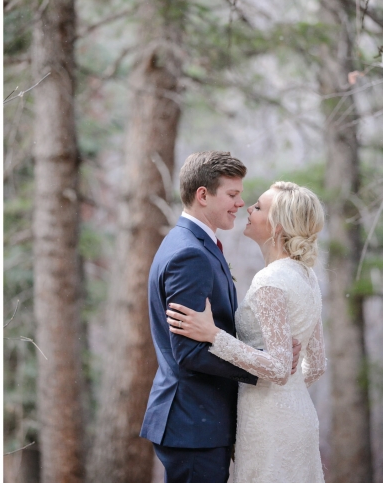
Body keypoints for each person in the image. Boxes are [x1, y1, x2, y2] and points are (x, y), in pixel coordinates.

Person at [139, 151, 301, 483]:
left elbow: (210, 333)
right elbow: (189, 352)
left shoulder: (196, 245)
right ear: (203, 195)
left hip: (200, 422)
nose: (240, 203)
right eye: (232, 194)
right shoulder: (190, 254)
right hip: (193, 424)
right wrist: (263, 366)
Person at [166, 180, 326, 482]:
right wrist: (288, 392)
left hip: (268, 423)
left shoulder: (270, 282)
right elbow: (315, 366)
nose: (248, 208)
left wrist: (214, 335)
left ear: (277, 226)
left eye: (259, 206)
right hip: (299, 416)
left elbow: (278, 369)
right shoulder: (308, 277)